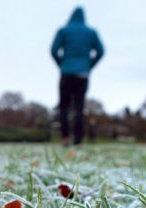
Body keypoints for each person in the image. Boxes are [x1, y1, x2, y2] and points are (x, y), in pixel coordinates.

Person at [51, 7, 105, 146]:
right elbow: (100, 51)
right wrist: (89, 65)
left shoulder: (64, 31)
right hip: (83, 74)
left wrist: (62, 64)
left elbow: (53, 50)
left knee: (64, 107)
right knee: (79, 107)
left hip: (66, 73)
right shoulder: (91, 32)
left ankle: (65, 138)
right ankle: (78, 140)